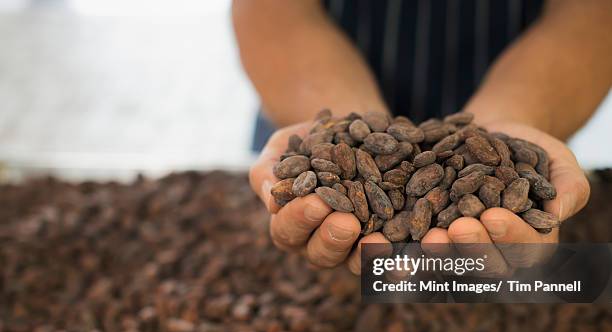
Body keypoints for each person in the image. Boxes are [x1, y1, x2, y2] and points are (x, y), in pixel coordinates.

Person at [233, 0, 611, 275]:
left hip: (531, 74)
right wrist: (339, 123)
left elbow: (592, 12)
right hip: (314, 78)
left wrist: (516, 115)